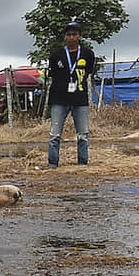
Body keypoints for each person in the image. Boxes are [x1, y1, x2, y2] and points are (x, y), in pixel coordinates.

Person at [47, 21, 95, 167]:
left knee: (83, 135)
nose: (71, 37)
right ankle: (52, 165)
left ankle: (82, 164)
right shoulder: (56, 55)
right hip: (59, 100)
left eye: (74, 34)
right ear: (64, 37)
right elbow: (53, 74)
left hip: (80, 99)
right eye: (68, 34)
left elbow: (88, 72)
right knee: (55, 135)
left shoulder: (87, 54)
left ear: (80, 36)